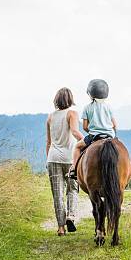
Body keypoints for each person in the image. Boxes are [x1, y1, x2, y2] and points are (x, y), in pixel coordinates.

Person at [46, 87, 83, 236]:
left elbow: (48, 142)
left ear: (57, 100)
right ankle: (71, 216)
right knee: (73, 189)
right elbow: (74, 132)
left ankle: (61, 228)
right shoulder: (72, 113)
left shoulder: (50, 117)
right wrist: (87, 140)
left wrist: (47, 159)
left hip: (53, 158)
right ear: (70, 99)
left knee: (57, 194)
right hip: (69, 158)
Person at [68, 79, 117, 179]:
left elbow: (85, 127)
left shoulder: (87, 108)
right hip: (110, 136)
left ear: (90, 94)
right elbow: (114, 125)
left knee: (77, 147)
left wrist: (91, 131)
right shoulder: (109, 107)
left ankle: (74, 169)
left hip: (94, 136)